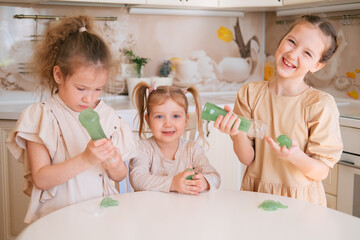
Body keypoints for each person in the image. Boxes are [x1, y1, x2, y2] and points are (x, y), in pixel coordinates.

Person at [6, 16, 138, 223]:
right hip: (57, 219)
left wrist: (113, 161)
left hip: (101, 217)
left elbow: (120, 176)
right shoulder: (42, 116)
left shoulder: (109, 117)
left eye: (97, 89)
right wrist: (86, 159)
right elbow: (41, 179)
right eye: (81, 88)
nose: (89, 98)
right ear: (59, 75)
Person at [213, 15, 343, 206]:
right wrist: (237, 133)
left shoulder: (320, 105)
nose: (292, 54)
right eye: (291, 41)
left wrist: (295, 156)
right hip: (255, 195)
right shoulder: (250, 94)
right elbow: (247, 159)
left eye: (307, 53)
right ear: (282, 40)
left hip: (301, 203)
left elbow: (321, 171)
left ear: (317, 65)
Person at [129, 83, 220, 195]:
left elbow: (215, 177)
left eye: (176, 116)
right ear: (148, 120)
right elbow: (137, 179)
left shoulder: (192, 149)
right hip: (151, 210)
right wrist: (173, 183)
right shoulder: (143, 148)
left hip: (183, 209)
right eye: (159, 116)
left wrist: (204, 181)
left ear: (186, 120)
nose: (168, 124)